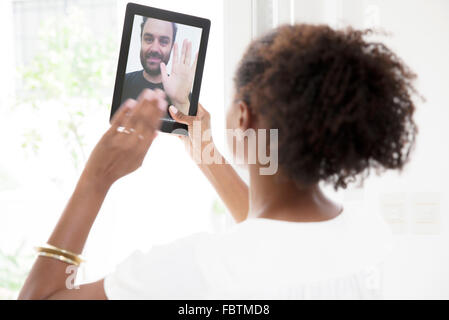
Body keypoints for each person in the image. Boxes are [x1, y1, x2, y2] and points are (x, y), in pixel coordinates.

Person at [18, 24, 418, 299]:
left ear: (242, 117)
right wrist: (205, 153)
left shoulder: (196, 269)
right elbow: (274, 242)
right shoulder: (370, 232)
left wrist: (96, 178)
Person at [121, 17, 197, 115]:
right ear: (141, 41)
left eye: (164, 41)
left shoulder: (182, 92)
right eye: (148, 39)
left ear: (171, 46)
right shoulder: (123, 82)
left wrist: (182, 104)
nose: (155, 49)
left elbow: (196, 129)